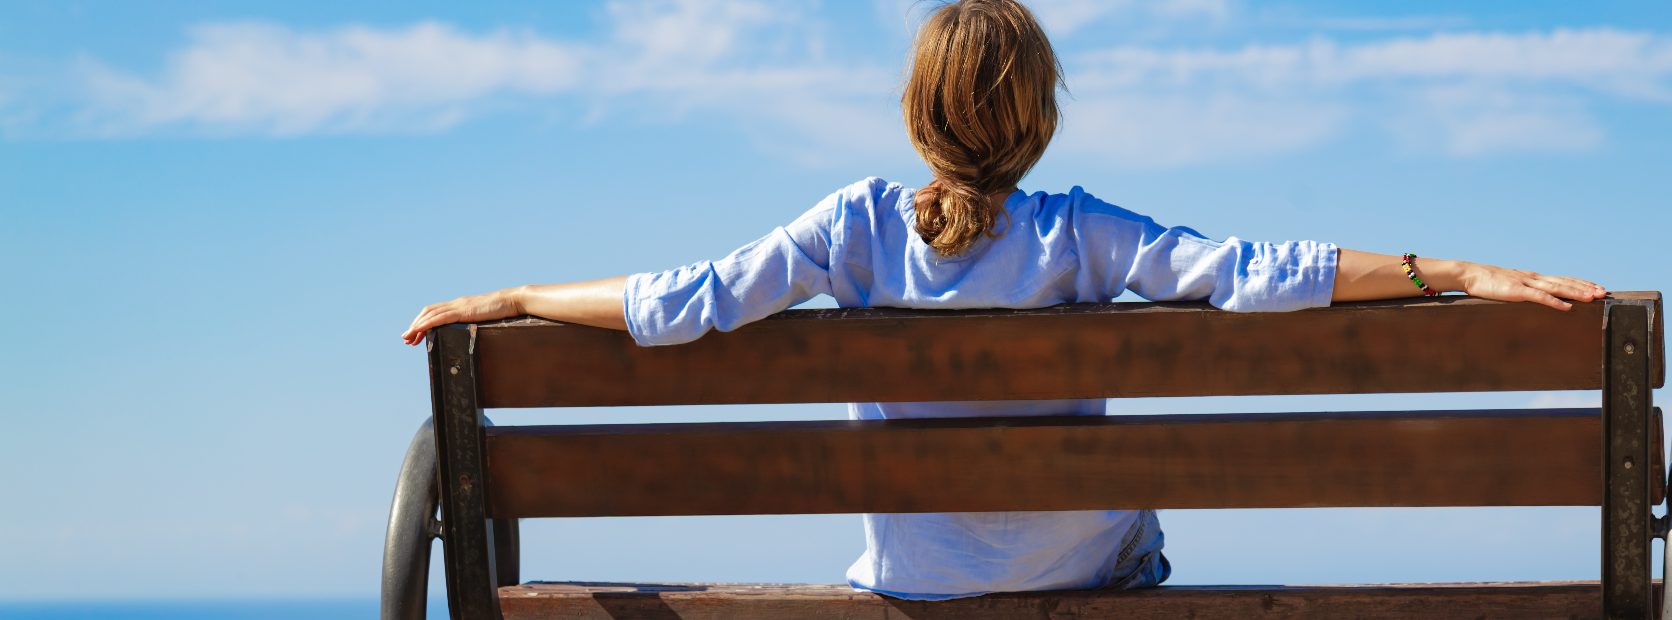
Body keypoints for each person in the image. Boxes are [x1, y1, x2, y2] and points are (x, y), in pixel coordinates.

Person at [400, 0, 1606, 601]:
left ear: (917, 113)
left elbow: (685, 302)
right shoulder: (1081, 232)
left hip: (917, 582)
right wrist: (1440, 270)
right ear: (1036, 118)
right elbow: (1252, 270)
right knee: (1129, 521)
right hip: (1071, 571)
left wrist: (512, 298)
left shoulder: (854, 228)